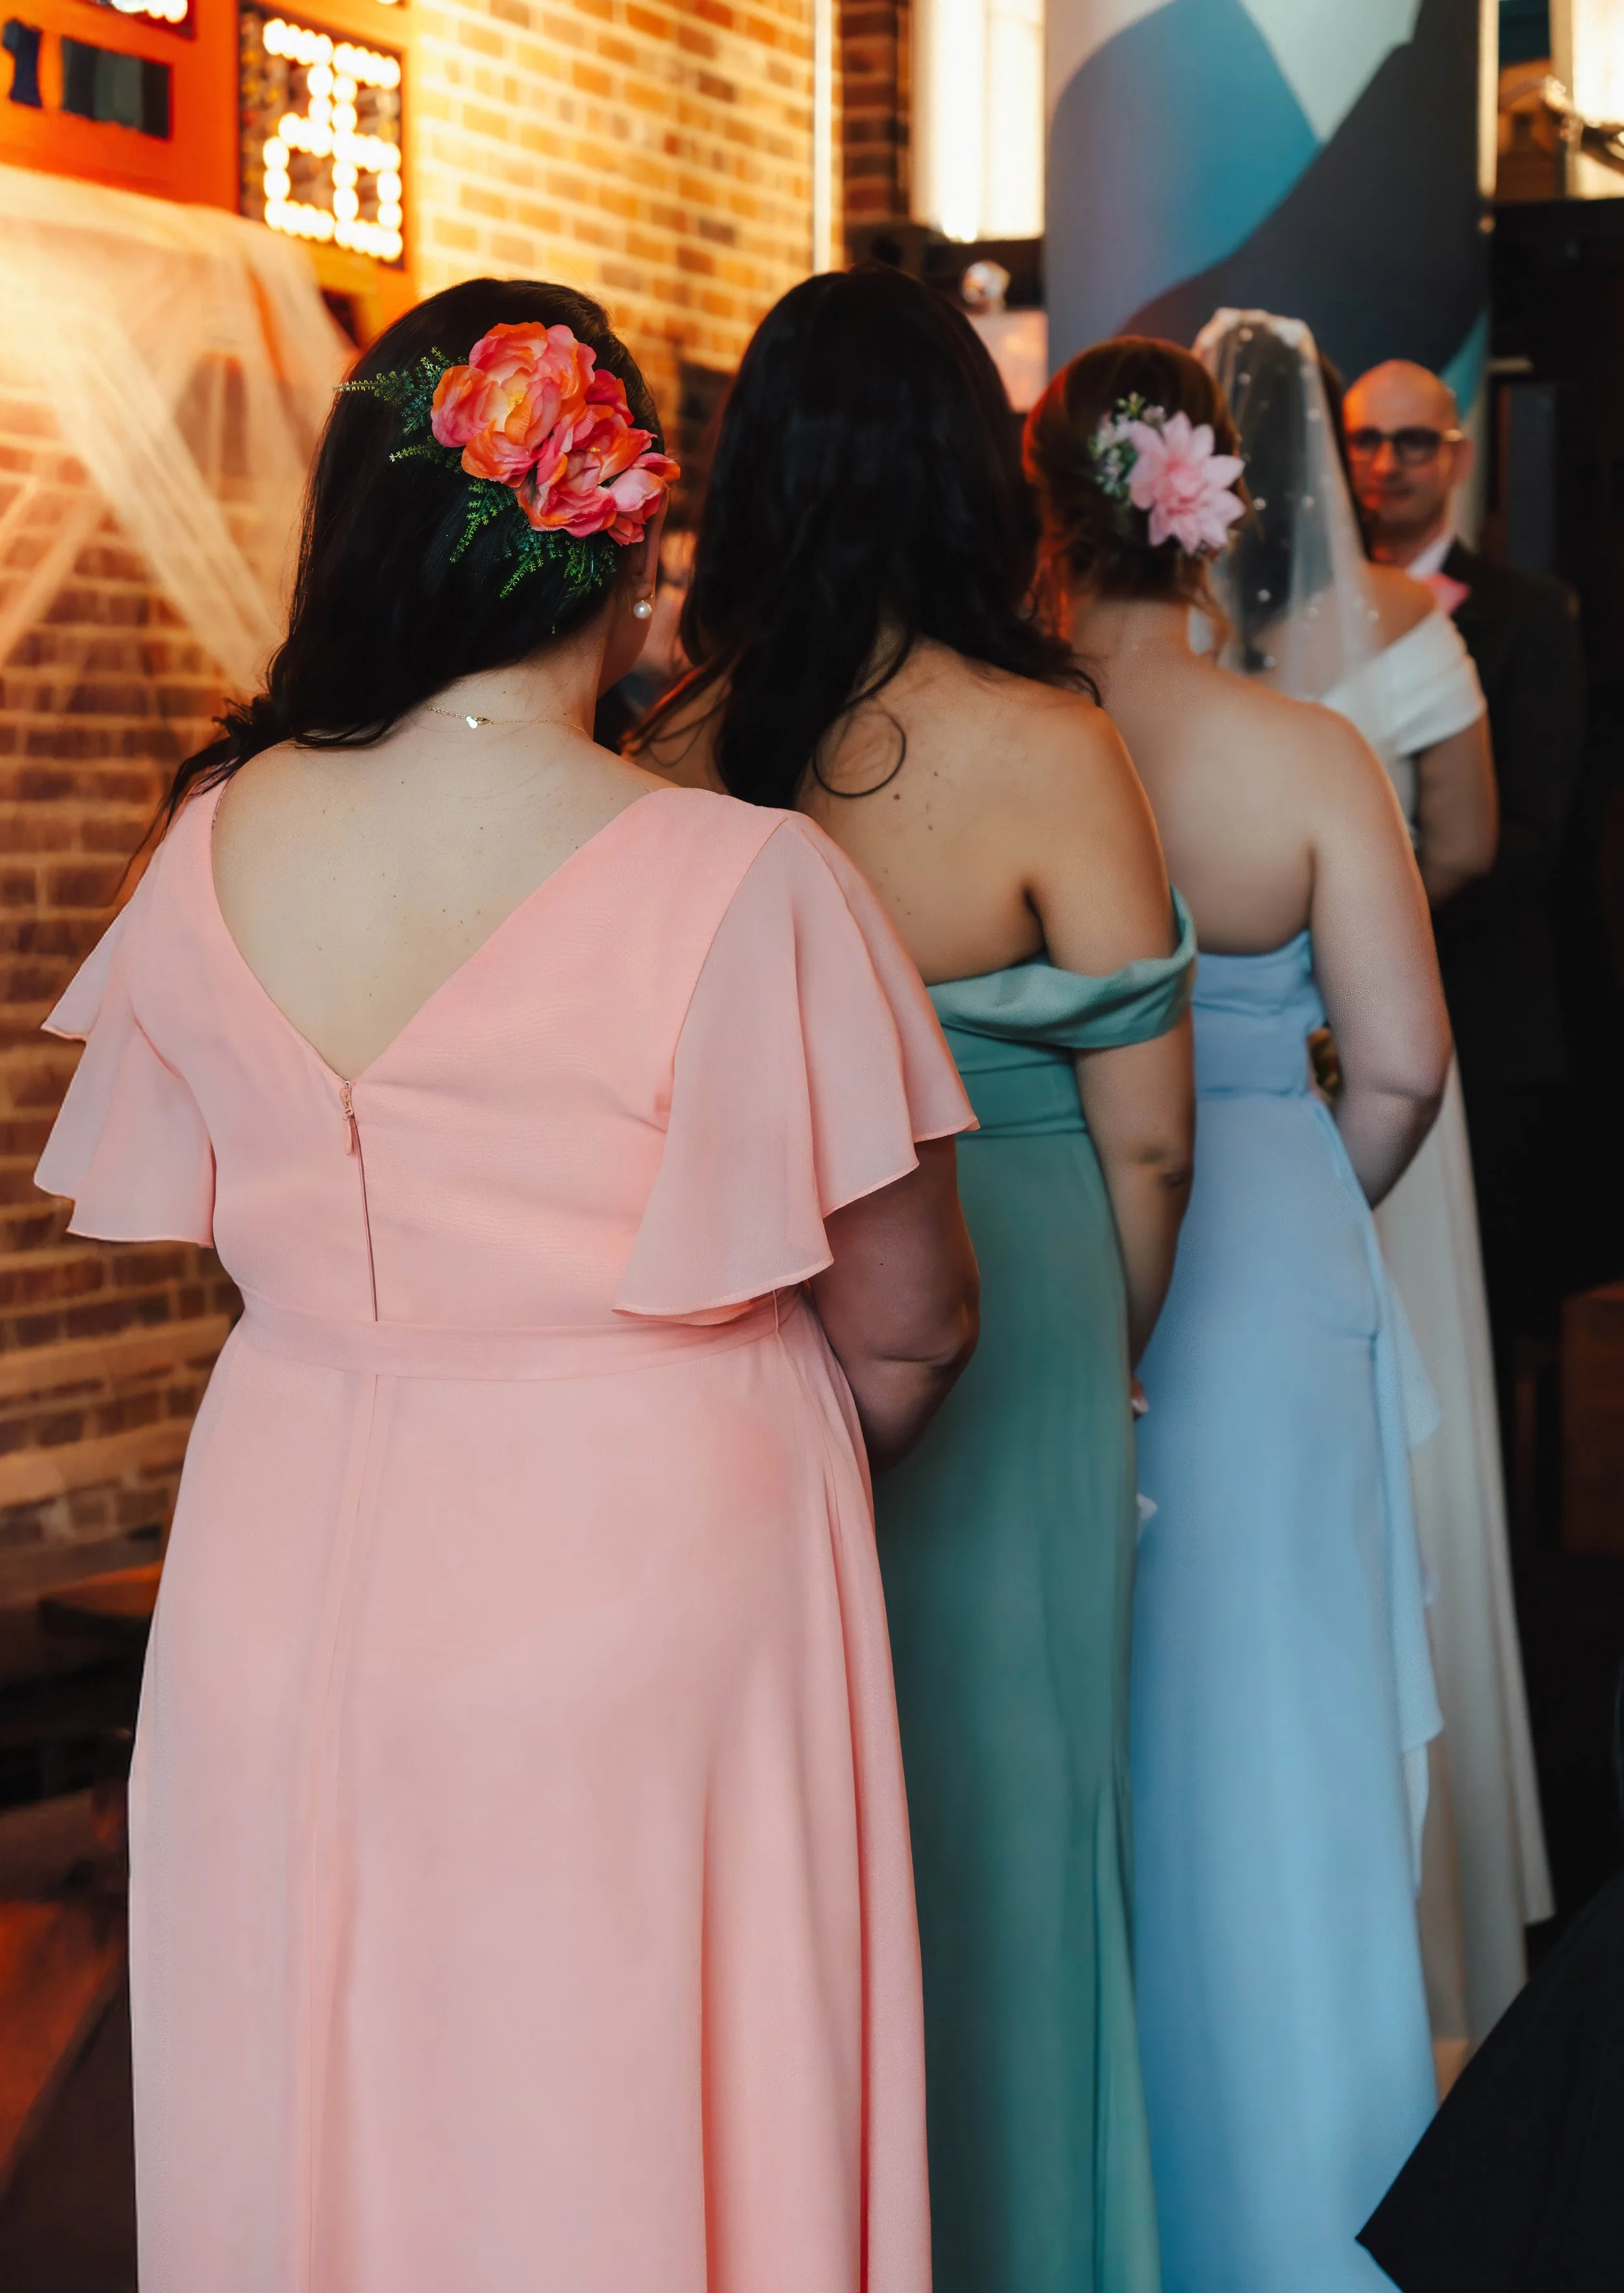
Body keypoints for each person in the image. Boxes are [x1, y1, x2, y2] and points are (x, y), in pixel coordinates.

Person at [33, 278, 983, 2293]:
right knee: (624, 2101)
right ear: (631, 551)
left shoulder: (203, 847)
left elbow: (239, 1228)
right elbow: (914, 1322)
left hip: (281, 1554)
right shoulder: (741, 878)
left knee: (320, 2072)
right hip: (645, 1570)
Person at [636, 263, 1196, 2293]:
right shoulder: (1050, 742)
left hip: (752, 1309)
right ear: (974, 470)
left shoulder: (666, 749)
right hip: (1019, 1294)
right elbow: (1150, 1141)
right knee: (1019, 1826)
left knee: (780, 1844)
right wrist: (1101, 1357)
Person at [1024, 333, 1451, 2293]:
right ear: (1218, 516)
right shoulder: (1304, 759)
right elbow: (1403, 1066)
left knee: (1084, 1740)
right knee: (1285, 1744)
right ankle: (1313, 2224)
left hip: (1053, 1243)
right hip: (1272, 1256)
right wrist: (1301, 1197)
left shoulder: (1002, 749)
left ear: (1047, 514)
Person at [1202, 314, 1554, 2055]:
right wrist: (1360, 917)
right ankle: (1442, 1887)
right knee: (1421, 1441)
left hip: (1226, 1093)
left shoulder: (1166, 648)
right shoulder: (1413, 626)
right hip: (1372, 1052)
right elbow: (1469, 841)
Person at [1345, 357, 1586, 1420]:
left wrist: (1363, 922)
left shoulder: (1531, 616)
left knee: (1471, 1313)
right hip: (1323, 1022)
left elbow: (1534, 830)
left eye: (1413, 441)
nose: (1387, 463)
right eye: (1366, 439)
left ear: (1457, 456)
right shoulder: (1295, 617)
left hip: (1482, 1010)